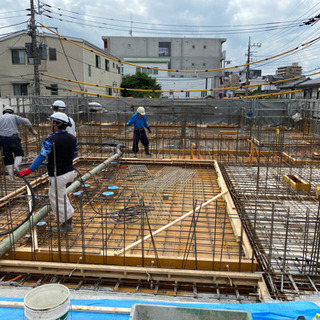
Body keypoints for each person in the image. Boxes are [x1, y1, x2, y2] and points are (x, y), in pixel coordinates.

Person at [18, 113, 78, 233]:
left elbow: (41, 157)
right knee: (62, 197)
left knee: (57, 200)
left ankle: (67, 225)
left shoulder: (51, 139)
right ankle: (68, 221)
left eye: (51, 123)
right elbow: (75, 154)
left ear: (55, 124)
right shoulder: (72, 137)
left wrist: (29, 170)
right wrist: (64, 159)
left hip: (58, 175)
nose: (50, 125)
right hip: (70, 172)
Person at [0, 105, 37, 181]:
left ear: (3, 112)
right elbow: (26, 121)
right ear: (12, 112)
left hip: (3, 140)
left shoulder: (0, 118)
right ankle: (16, 168)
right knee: (19, 154)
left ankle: (11, 177)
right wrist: (32, 131)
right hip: (13, 139)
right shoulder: (14, 117)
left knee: (7, 158)